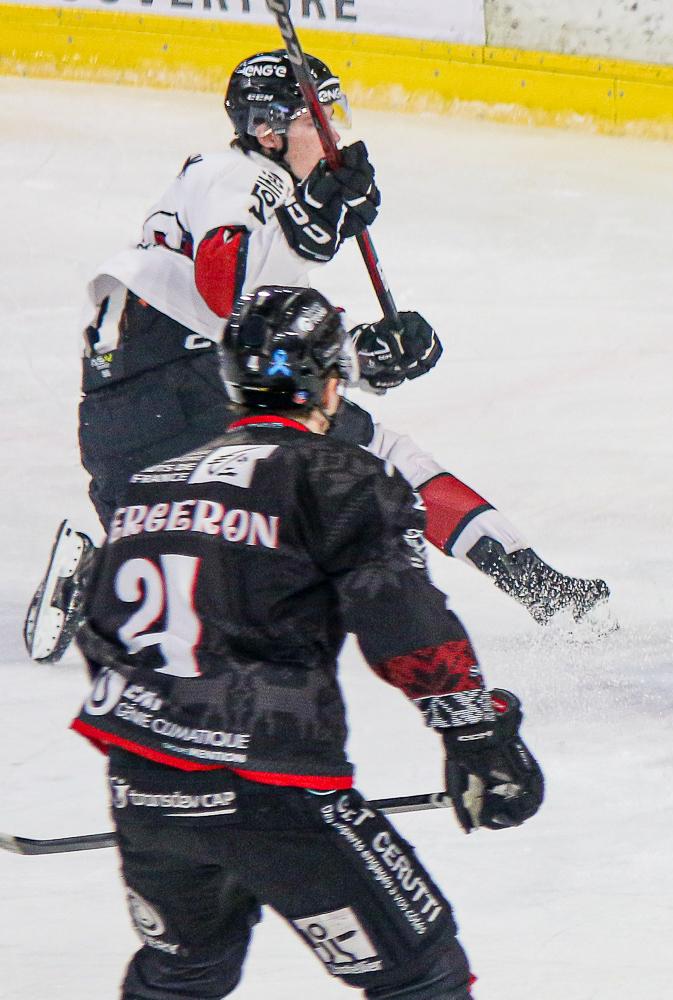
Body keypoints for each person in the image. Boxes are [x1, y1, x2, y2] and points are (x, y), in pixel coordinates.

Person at [25, 48, 610, 664]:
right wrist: (309, 222)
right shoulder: (245, 174)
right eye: (315, 117)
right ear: (267, 131)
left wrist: (364, 354)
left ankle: (100, 576)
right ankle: (538, 584)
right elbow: (222, 292)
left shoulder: (236, 195)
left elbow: (261, 328)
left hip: (125, 425)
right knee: (379, 465)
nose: (331, 131)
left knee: (219, 582)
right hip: (188, 389)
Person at [71, 286, 545, 1000]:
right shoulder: (340, 475)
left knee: (185, 974)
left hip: (144, 787)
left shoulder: (149, 486)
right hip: (273, 791)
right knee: (421, 974)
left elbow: (100, 634)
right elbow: (402, 619)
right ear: (329, 383)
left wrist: (171, 770)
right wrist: (477, 735)